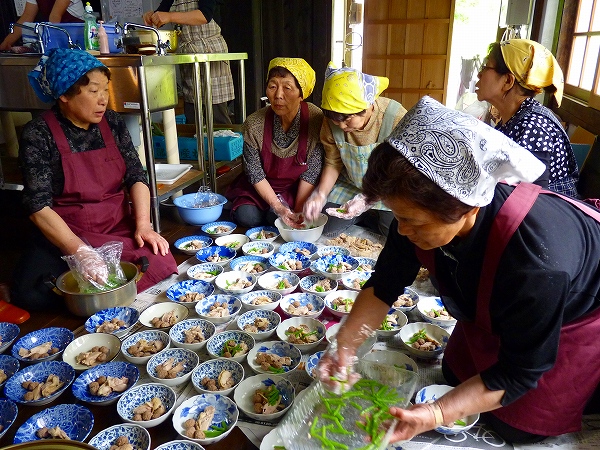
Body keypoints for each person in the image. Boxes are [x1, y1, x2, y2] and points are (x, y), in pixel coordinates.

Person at [318, 96, 600, 444]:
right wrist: (344, 348)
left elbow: (521, 372)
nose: (401, 230)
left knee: (513, 423)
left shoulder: (536, 263)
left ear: (468, 209)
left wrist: (434, 414)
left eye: (410, 220)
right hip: (511, 299)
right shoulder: (419, 217)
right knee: (452, 375)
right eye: (397, 215)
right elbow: (383, 286)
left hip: (575, 312)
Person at [11, 49, 178, 311]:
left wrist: (144, 225)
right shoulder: (39, 133)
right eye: (93, 91)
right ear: (64, 95)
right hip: (67, 233)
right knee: (31, 293)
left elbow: (137, 175)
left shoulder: (112, 122)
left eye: (105, 90)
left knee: (161, 260)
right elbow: (37, 205)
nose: (104, 100)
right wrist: (79, 251)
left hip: (115, 227)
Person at [303, 62, 407, 237]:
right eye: (336, 121)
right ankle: (364, 216)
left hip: (389, 188)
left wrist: (367, 199)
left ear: (366, 108)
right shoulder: (333, 121)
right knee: (327, 228)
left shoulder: (395, 117)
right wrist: (320, 194)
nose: (342, 126)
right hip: (351, 185)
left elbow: (405, 171)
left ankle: (372, 214)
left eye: (347, 120)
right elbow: (333, 161)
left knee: (395, 235)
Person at [225, 57, 324, 229]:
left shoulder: (316, 120)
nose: (278, 95)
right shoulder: (254, 123)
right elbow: (255, 173)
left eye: (287, 87)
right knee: (247, 217)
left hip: (295, 188)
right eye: (272, 86)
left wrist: (298, 211)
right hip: (260, 187)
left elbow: (311, 173)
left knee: (279, 220)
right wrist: (278, 206)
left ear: (302, 93)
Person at [475, 39, 579, 197]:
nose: (479, 74)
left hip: (548, 215)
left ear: (508, 81)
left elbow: (529, 198)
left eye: (486, 67)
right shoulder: (513, 118)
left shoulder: (534, 126)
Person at [143, 0, 234, 125]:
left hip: (210, 52)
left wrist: (169, 17)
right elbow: (162, 11)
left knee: (216, 113)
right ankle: (195, 143)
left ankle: (223, 144)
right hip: (189, 55)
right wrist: (153, 16)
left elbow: (204, 15)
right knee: (192, 113)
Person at [0, 0, 84, 51]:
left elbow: (55, 16)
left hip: (78, 38)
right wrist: (6, 43)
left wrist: (52, 46)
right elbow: (26, 17)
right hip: (59, 39)